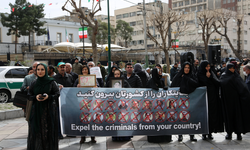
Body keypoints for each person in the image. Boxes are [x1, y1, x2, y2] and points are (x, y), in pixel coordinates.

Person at [27, 63, 59, 150]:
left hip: (49, 110)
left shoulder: (51, 82)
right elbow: (29, 95)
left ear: (46, 70)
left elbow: (57, 94)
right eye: (38, 69)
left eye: (42, 69)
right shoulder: (34, 83)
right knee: (37, 131)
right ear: (36, 71)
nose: (40, 71)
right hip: (36, 111)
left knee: (48, 130)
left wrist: (49, 97)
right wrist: (35, 97)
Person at [220, 63, 250, 140]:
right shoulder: (223, 76)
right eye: (230, 68)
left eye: (233, 68)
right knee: (228, 117)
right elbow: (221, 85)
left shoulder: (236, 76)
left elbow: (243, 87)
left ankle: (238, 133)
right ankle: (229, 133)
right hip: (227, 101)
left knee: (237, 117)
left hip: (236, 101)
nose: (232, 70)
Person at [171, 62, 199, 142]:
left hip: (190, 101)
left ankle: (192, 135)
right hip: (180, 102)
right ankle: (180, 135)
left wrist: (186, 78)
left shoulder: (192, 76)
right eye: (185, 67)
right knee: (180, 117)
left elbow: (196, 84)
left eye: (188, 68)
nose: (187, 69)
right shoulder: (178, 76)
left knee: (190, 117)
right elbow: (173, 86)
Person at [197, 60, 224, 140]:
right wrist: (207, 78)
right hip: (203, 99)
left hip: (212, 98)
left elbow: (218, 83)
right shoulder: (199, 74)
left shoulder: (211, 73)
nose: (208, 68)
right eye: (206, 67)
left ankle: (210, 132)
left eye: (209, 66)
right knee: (204, 115)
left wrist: (211, 77)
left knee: (212, 115)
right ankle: (204, 133)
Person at [106, 69, 131, 141]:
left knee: (123, 119)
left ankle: (125, 136)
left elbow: (130, 91)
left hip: (123, 105)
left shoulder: (125, 82)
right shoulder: (109, 82)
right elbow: (105, 92)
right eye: (115, 74)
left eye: (118, 74)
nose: (116, 76)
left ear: (120, 75)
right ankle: (115, 137)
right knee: (115, 120)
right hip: (113, 105)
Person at [146, 68, 171, 143]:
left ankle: (164, 138)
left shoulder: (160, 81)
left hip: (161, 106)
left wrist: (165, 88)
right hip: (153, 107)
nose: (160, 73)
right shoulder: (150, 82)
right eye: (158, 72)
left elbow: (163, 90)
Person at [73, 65, 97, 144]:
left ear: (88, 70)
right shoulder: (78, 80)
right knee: (82, 119)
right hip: (82, 102)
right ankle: (83, 137)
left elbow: (98, 87)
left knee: (91, 119)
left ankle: (92, 137)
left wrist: (95, 87)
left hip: (90, 101)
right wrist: (77, 87)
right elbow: (73, 90)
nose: (84, 71)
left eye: (86, 69)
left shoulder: (92, 79)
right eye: (83, 70)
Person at [53, 62, 74, 139]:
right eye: (60, 67)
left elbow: (72, 88)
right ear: (57, 68)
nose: (62, 68)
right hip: (58, 102)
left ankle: (70, 132)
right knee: (59, 117)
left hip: (68, 101)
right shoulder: (54, 78)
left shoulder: (70, 77)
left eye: (64, 67)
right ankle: (59, 133)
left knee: (68, 117)